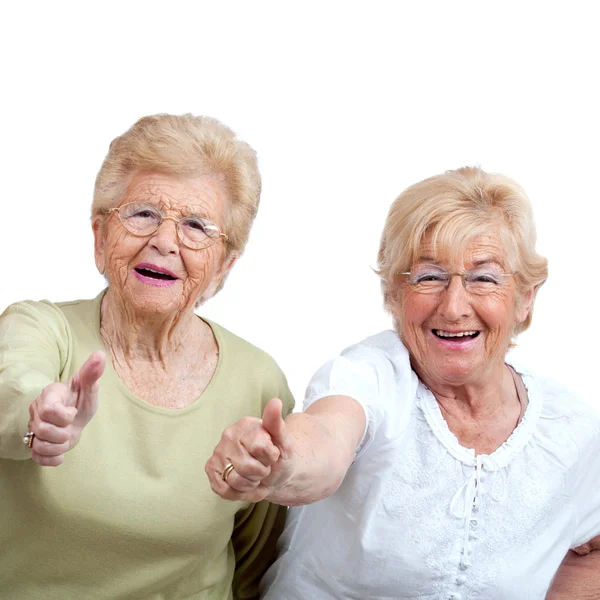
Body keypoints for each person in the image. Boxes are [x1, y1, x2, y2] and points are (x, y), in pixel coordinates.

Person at [206, 167, 600, 599]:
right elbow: (324, 440)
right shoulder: (368, 375)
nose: (453, 307)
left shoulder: (570, 430)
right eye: (429, 276)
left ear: (525, 298)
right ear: (393, 294)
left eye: (483, 278)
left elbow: (591, 545)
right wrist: (281, 463)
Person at [0, 114, 294, 599]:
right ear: (100, 238)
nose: (163, 241)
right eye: (142, 214)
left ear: (223, 267)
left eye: (196, 226)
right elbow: (11, 387)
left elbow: (257, 563)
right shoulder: (40, 329)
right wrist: (37, 420)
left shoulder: (258, 381)